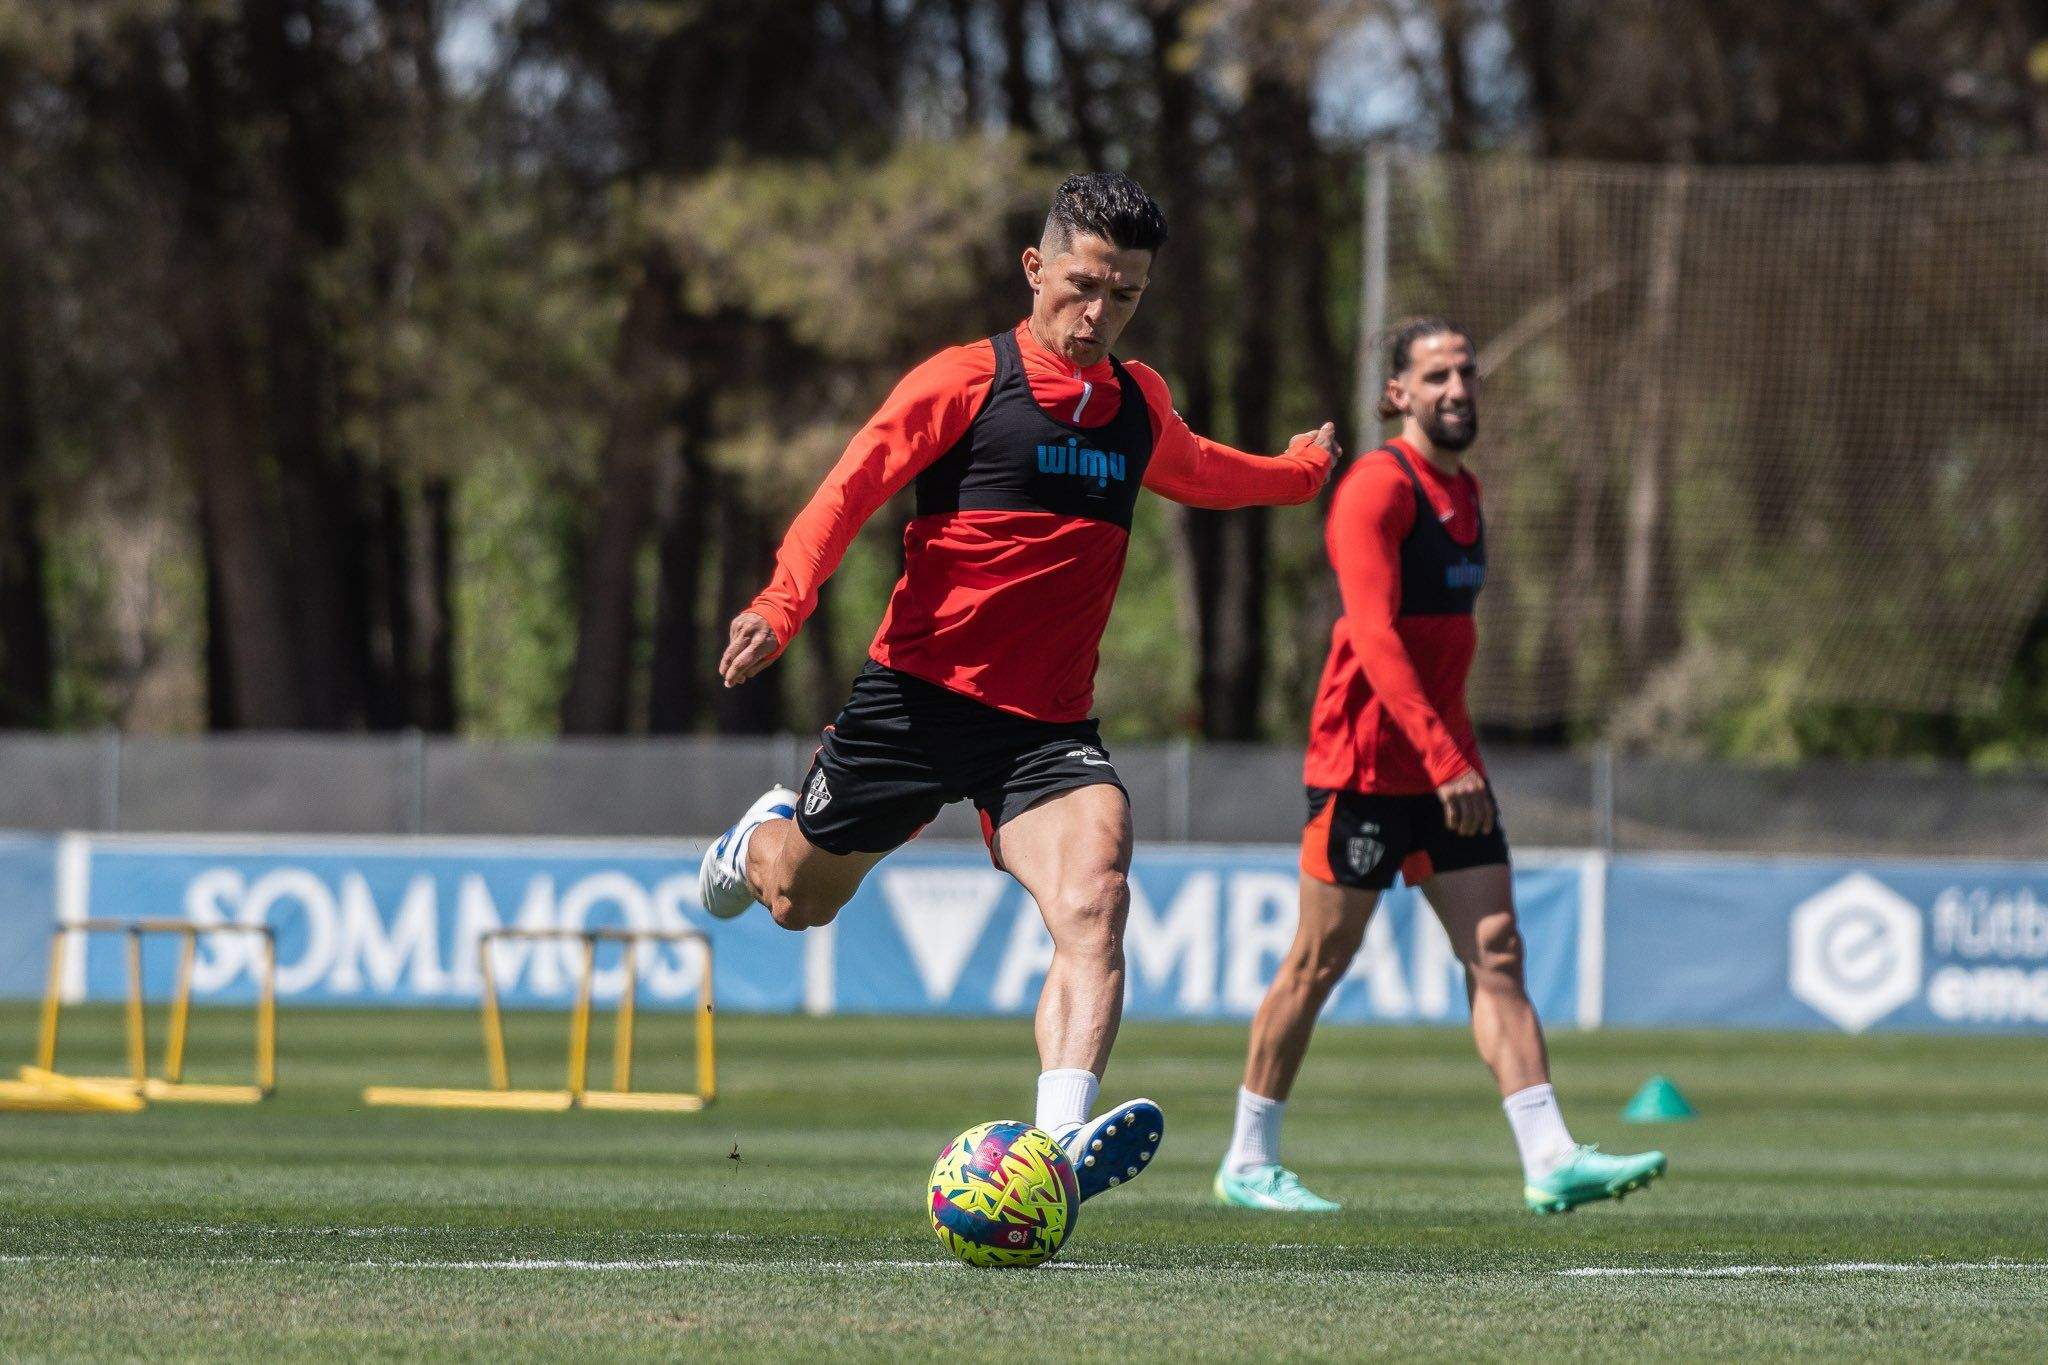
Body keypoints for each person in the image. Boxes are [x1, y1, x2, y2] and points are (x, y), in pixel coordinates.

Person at [697, 172, 1337, 1202]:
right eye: (1081, 286)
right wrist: (782, 603)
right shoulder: (963, 381)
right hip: (912, 703)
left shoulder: (1137, 405)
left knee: (1097, 893)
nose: (1097, 314)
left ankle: (1054, 1145)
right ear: (1034, 270)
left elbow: (1201, 469)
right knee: (793, 902)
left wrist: (1296, 474)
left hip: (1041, 730)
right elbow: (850, 483)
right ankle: (756, 834)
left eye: (1122, 296)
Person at [1213, 318, 1666, 1216]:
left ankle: (1550, 1155)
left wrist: (1452, 758)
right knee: (1317, 960)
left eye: (1467, 371)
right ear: (1398, 396)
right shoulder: (1375, 489)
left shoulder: (1469, 493)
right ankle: (1247, 1160)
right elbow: (1375, 638)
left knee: (1497, 950)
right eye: (1436, 374)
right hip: (1365, 770)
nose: (1459, 386)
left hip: (1446, 767)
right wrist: (1443, 755)